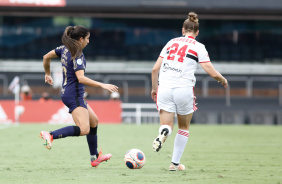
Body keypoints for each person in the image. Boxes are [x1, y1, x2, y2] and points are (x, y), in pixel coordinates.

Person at [151, 12, 228, 171]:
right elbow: (211, 71)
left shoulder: (171, 42)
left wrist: (154, 89)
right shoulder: (198, 47)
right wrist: (222, 79)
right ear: (197, 32)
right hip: (184, 90)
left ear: (183, 30)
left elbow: (154, 69)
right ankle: (174, 164)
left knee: (167, 124)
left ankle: (164, 131)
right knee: (184, 127)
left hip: (164, 88)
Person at [40, 25, 118, 168]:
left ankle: (94, 158)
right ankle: (50, 135)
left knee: (94, 121)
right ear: (81, 39)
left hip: (69, 93)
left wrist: (47, 74)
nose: (88, 41)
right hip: (73, 94)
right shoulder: (77, 55)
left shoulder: (63, 49)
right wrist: (103, 85)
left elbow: (46, 57)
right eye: (87, 39)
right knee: (84, 129)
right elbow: (81, 78)